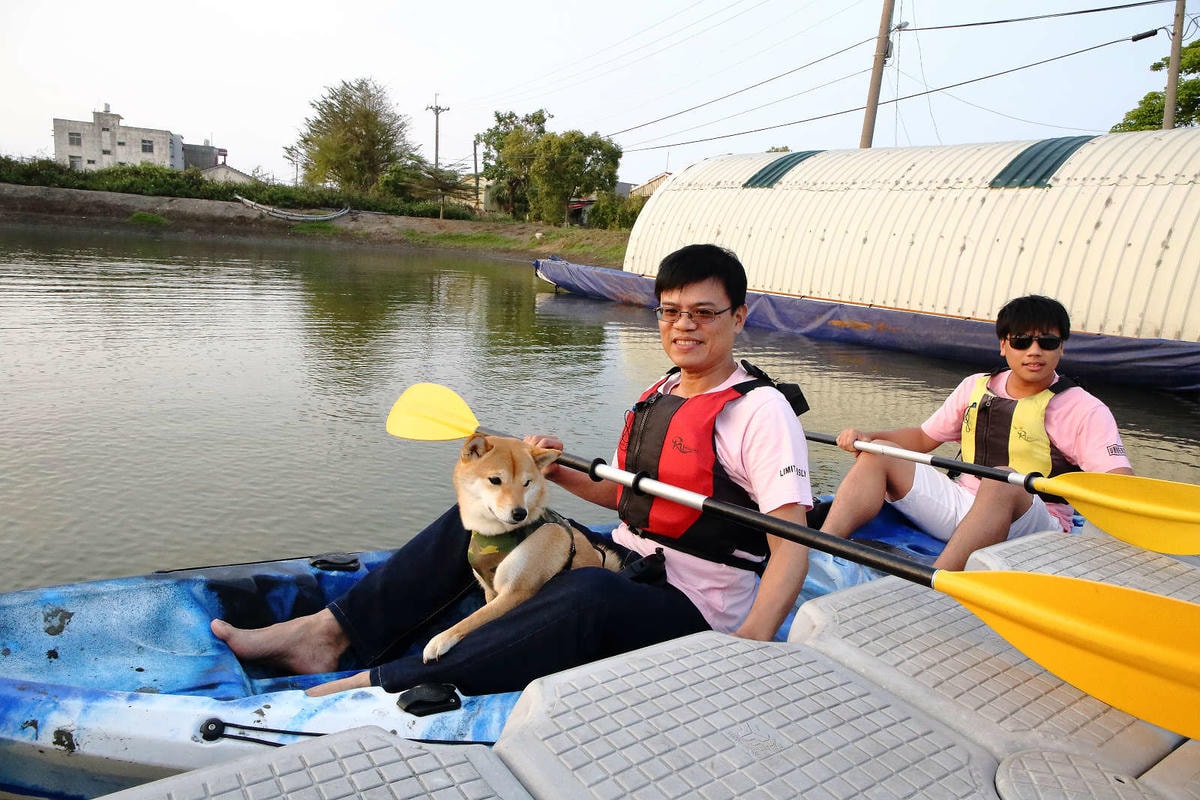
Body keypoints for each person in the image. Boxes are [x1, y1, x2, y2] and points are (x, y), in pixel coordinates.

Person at [211, 243, 813, 697]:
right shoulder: (661, 391)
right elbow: (632, 500)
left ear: (738, 317)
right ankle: (327, 633)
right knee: (479, 520)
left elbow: (790, 545)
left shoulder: (761, 411)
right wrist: (548, 470)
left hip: (693, 606)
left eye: (705, 313)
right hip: (626, 557)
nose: (685, 326)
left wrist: (748, 648)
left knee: (586, 595)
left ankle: (380, 681)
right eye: (672, 311)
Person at [816, 294, 1133, 572]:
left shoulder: (1083, 408)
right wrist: (869, 437)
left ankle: (937, 580)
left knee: (1003, 479)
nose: (1034, 351)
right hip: (964, 504)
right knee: (879, 452)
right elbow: (924, 438)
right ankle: (820, 547)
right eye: (1022, 341)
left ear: (1061, 347)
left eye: (1047, 342)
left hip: (1037, 524)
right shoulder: (975, 386)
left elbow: (1116, 481)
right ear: (1004, 345)